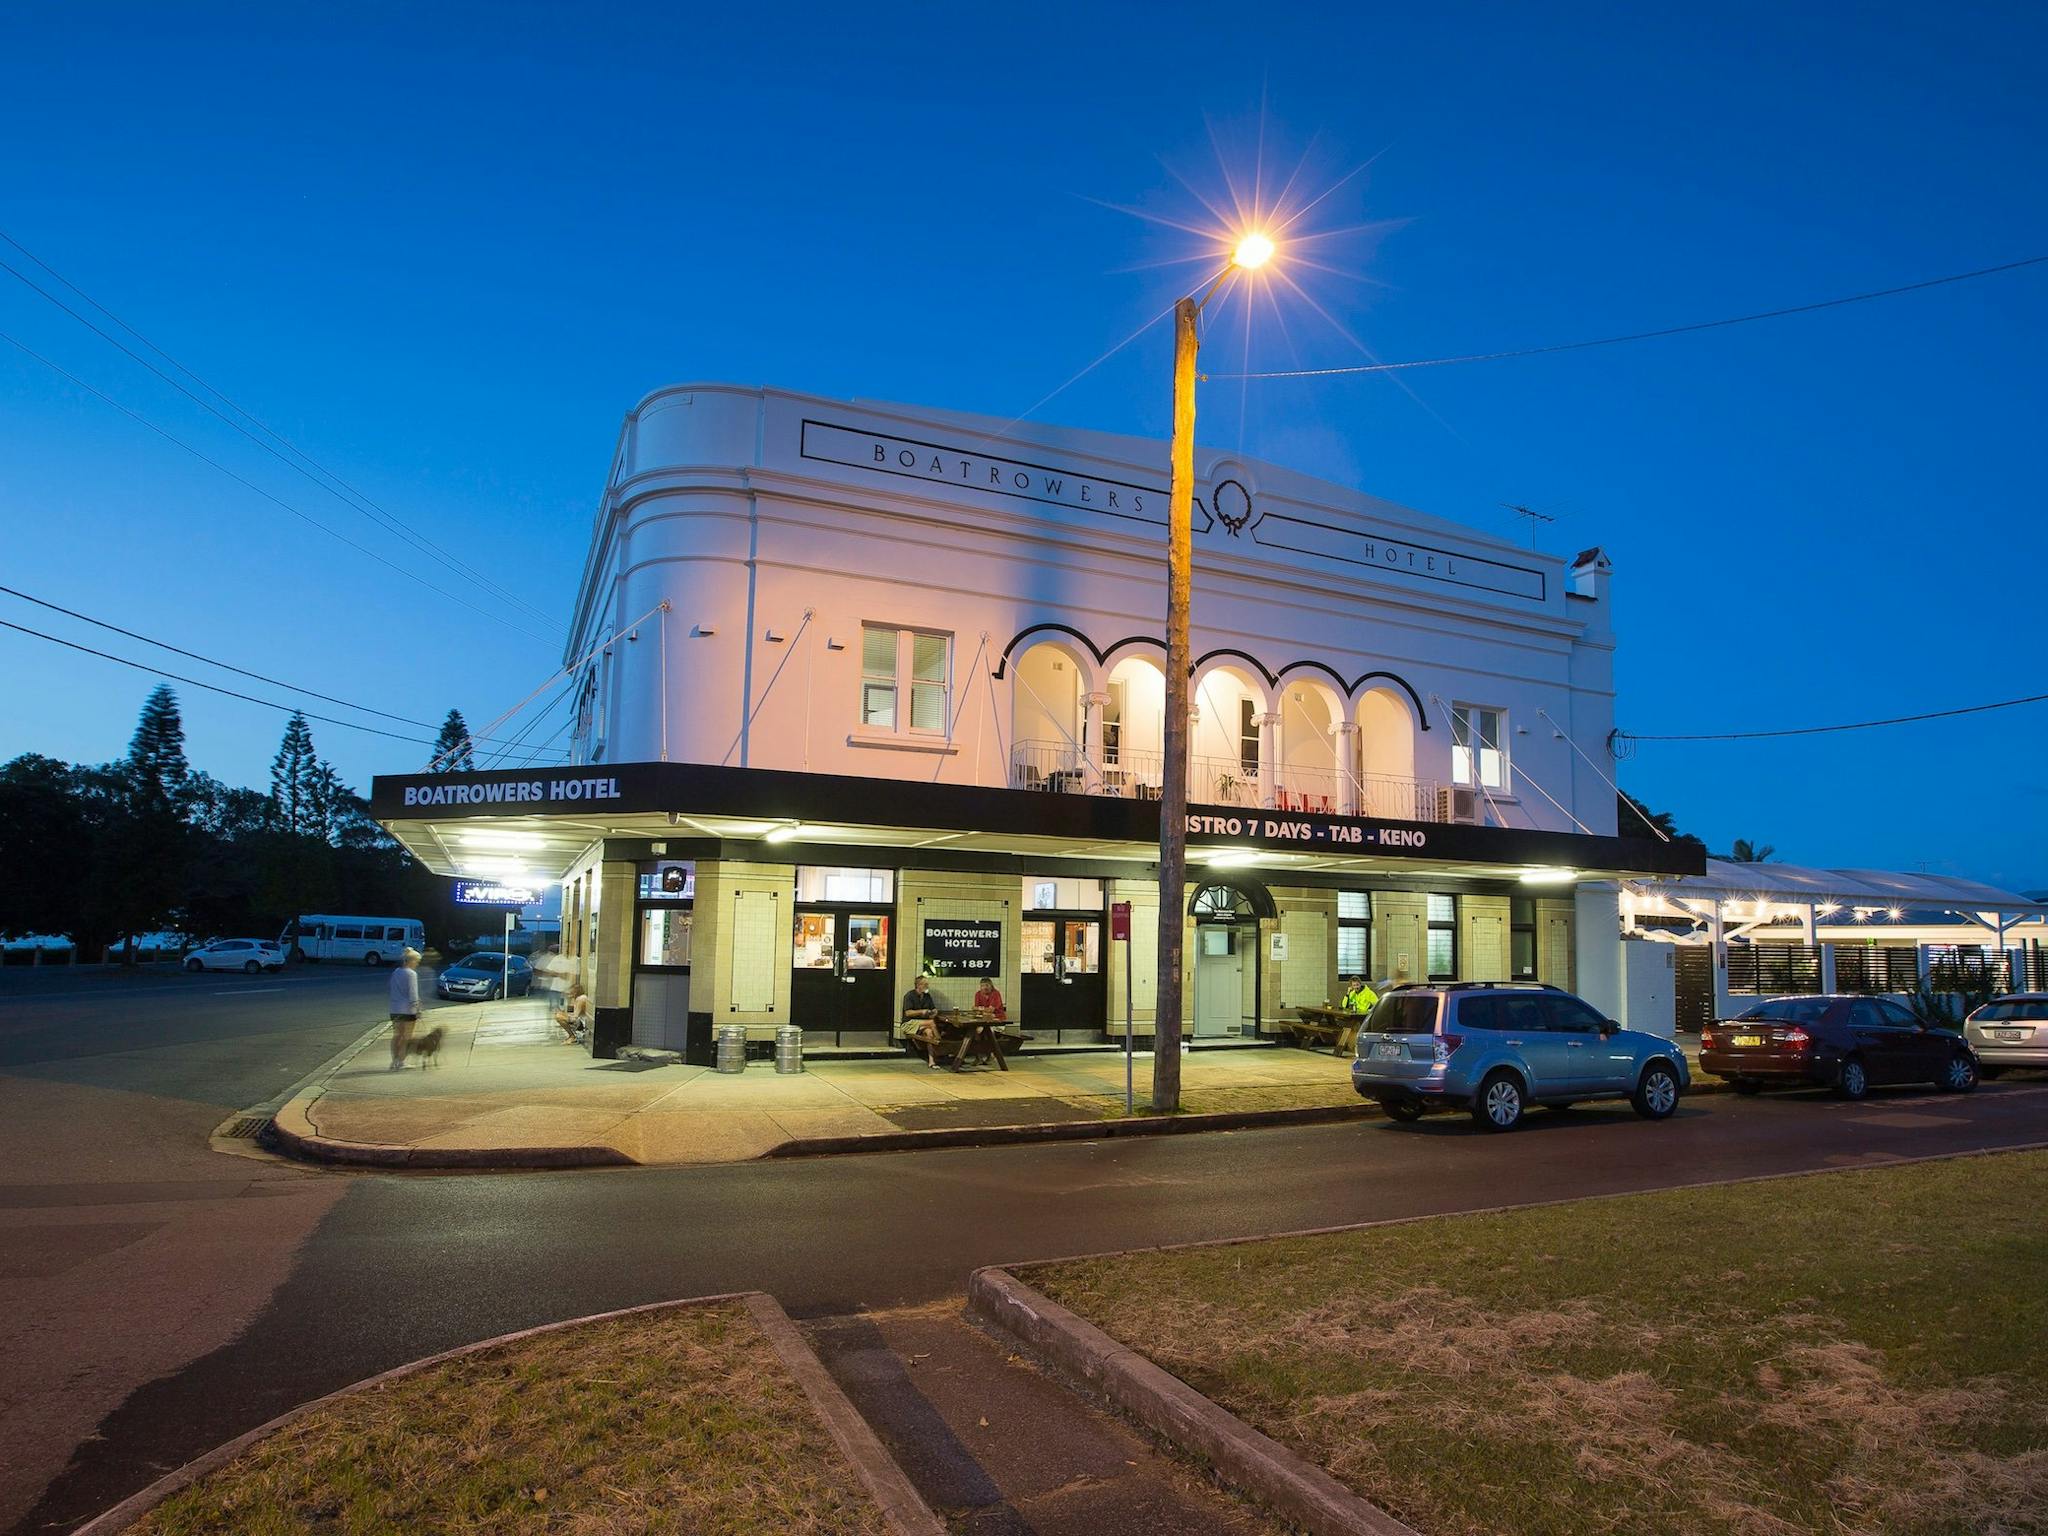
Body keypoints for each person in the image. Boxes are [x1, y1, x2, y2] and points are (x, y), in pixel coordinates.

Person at [388, 948, 423, 1069]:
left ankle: (394, 1060)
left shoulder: (396, 972)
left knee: (397, 1035)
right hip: (408, 1010)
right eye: (417, 961)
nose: (417, 964)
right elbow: (413, 994)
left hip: (394, 1008)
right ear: (411, 961)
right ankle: (402, 1061)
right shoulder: (411, 974)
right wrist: (418, 1009)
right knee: (407, 1036)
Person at [553, 980, 592, 1045]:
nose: (569, 993)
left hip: (583, 1022)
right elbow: (570, 1012)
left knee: (558, 1017)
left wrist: (563, 1017)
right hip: (580, 1020)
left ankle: (572, 1036)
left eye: (571, 992)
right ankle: (572, 1036)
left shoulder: (581, 999)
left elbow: (575, 1017)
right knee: (559, 1014)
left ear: (575, 992)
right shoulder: (577, 998)